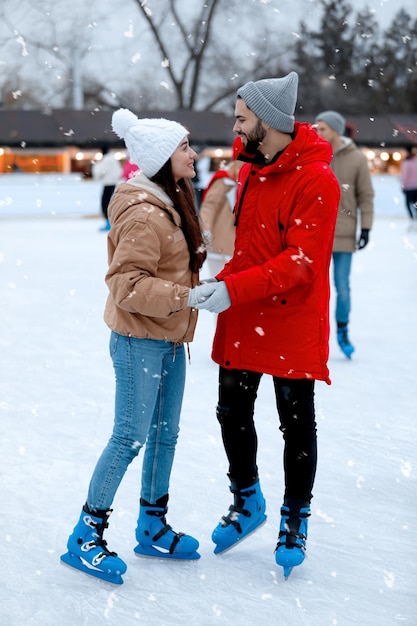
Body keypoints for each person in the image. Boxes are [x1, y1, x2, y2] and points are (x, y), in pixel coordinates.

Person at [188, 72, 340, 578]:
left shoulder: (316, 179)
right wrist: (222, 281)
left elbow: (301, 263)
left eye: (241, 118)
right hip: (245, 311)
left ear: (268, 123)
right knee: (230, 409)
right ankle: (247, 497)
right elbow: (252, 249)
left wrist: (235, 288)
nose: (235, 127)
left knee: (295, 421)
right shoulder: (252, 168)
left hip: (292, 319)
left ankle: (294, 516)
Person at [61, 109, 217, 585]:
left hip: (170, 337)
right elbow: (126, 285)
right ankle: (86, 535)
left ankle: (152, 523)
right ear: (163, 158)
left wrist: (199, 285)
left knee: (166, 435)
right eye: (185, 148)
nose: (193, 155)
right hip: (138, 340)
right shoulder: (145, 213)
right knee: (130, 436)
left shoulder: (175, 199)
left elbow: (173, 266)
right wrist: (187, 297)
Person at [315, 111, 374, 359]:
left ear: (336, 131)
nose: (318, 133)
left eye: (323, 129)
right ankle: (316, 335)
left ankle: (342, 330)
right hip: (316, 234)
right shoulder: (315, 155)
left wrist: (366, 228)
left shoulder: (357, 159)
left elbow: (366, 195)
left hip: (344, 234)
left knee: (342, 286)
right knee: (314, 289)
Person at [199, 138, 243, 276]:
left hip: (238, 248)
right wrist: (206, 231)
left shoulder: (250, 182)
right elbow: (208, 208)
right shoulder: (224, 181)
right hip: (220, 247)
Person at [92, 146, 123, 231]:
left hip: (108, 183)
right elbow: (119, 171)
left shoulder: (107, 160)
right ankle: (109, 222)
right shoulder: (113, 160)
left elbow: (100, 171)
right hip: (112, 183)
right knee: (109, 203)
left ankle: (108, 223)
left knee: (105, 204)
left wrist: (96, 172)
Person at [400, 145, 417, 219]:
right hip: (416, 186)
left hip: (409, 187)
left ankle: (412, 218)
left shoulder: (406, 162)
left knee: (408, 204)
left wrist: (403, 185)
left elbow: (405, 176)